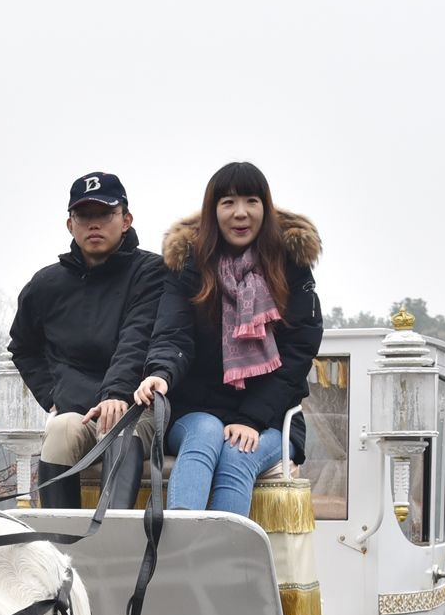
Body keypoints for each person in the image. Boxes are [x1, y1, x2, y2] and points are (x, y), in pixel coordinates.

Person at [134, 161, 323, 514]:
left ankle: (224, 550)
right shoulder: (188, 264)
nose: (240, 213)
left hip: (270, 415)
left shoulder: (292, 266)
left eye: (251, 201)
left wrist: (252, 418)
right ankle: (180, 542)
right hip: (196, 409)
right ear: (213, 211)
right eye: (228, 203)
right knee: (204, 434)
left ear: (265, 207)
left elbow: (299, 352)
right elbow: (173, 333)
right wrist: (160, 373)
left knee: (238, 453)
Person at [9, 171, 166, 509]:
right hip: (77, 408)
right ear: (70, 225)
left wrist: (116, 395)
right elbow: (22, 346)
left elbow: (136, 339)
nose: (94, 224)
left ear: (126, 220)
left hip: (135, 407)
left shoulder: (152, 272)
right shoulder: (46, 285)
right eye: (84, 216)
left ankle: (111, 534)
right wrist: (52, 395)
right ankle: (59, 537)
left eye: (105, 214)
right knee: (60, 430)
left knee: (119, 429)